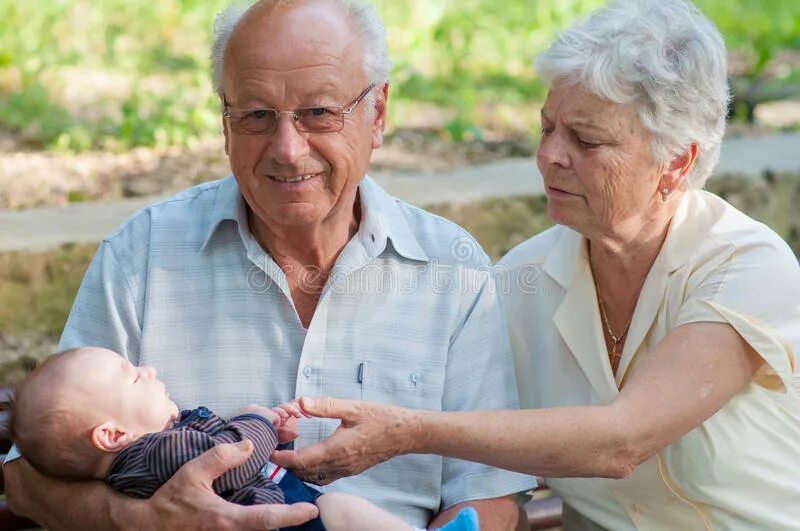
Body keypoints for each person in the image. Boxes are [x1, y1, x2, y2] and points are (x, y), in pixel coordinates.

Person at [3, 0, 535, 529]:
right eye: (257, 115)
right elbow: (26, 478)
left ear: (377, 114)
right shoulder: (142, 254)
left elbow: (489, 494)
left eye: (320, 113)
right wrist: (146, 519)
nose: (286, 148)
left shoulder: (452, 267)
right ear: (224, 122)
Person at [268, 0, 800, 529]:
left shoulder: (746, 267)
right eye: (548, 129)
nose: (549, 157)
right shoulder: (520, 282)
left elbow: (621, 442)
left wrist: (408, 431)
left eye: (587, 141)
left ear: (677, 161)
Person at [10, 347, 479, 531]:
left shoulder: (151, 451)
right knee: (343, 512)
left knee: (343, 511)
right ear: (112, 434)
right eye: (134, 378)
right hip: (280, 522)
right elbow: (233, 459)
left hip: (281, 505)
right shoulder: (153, 454)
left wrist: (279, 446)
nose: (149, 370)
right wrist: (258, 420)